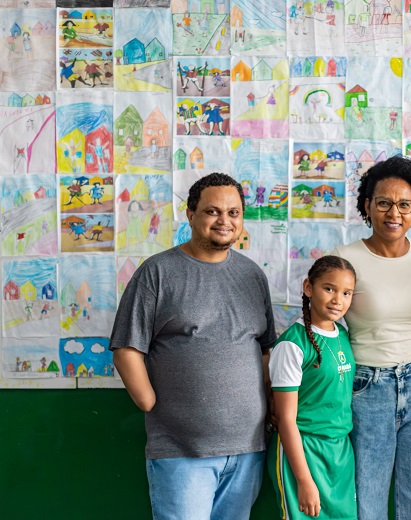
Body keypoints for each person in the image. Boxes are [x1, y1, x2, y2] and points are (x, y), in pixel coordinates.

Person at [110, 173, 276, 520]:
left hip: (248, 449)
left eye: (233, 213)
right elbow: (127, 346)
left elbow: (264, 349)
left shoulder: (252, 275)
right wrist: (148, 401)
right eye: (213, 211)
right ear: (190, 214)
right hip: (181, 451)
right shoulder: (157, 272)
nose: (224, 221)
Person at [334, 156, 411, 519]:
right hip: (367, 388)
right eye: (384, 203)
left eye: (404, 204)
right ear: (368, 205)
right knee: (366, 498)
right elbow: (323, 325)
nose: (394, 213)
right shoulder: (345, 259)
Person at [268, 256, 358, 520]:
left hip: (340, 452)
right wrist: (304, 481)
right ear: (309, 287)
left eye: (346, 293)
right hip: (304, 450)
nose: (337, 300)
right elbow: (286, 420)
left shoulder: (343, 335)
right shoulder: (292, 344)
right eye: (329, 289)